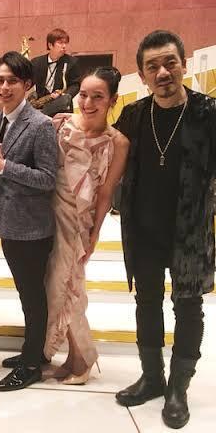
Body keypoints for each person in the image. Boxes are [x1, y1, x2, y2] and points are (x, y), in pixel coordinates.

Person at [114, 30, 215, 429]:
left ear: (183, 65)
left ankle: (178, 388)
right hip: (143, 230)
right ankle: (152, 377)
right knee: (147, 303)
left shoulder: (208, 112)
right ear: (142, 75)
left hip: (189, 231)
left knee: (188, 307)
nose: (162, 72)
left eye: (170, 62)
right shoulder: (134, 115)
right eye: (152, 66)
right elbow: (107, 156)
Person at [43, 67, 129, 385]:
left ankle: (83, 357)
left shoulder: (118, 142)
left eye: (97, 97)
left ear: (112, 100)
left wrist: (94, 235)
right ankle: (73, 356)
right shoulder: (63, 125)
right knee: (56, 287)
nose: (88, 103)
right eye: (83, 95)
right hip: (52, 216)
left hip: (80, 222)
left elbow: (105, 194)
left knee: (70, 288)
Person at [0, 52, 58, 392]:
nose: (4, 87)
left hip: (32, 228)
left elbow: (47, 179)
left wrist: (5, 167)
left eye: (12, 81)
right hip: (10, 224)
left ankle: (31, 365)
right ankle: (33, 351)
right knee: (25, 292)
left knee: (32, 296)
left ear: (28, 84)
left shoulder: (40, 125)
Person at [31, 28, 82, 117]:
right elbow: (29, 82)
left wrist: (64, 94)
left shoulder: (72, 62)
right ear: (50, 45)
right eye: (60, 43)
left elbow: (76, 84)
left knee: (64, 100)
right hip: (41, 103)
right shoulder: (36, 62)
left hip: (61, 107)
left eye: (65, 43)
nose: (64, 46)